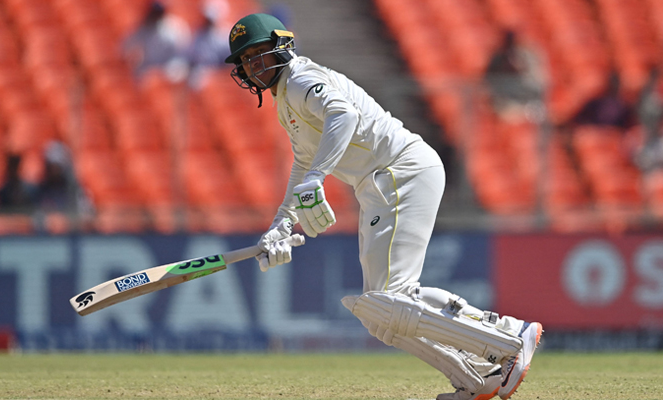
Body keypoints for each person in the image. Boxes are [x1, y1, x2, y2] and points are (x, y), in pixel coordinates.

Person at [223, 13, 542, 400]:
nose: (255, 66)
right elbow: (303, 163)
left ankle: (509, 339)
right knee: (383, 318)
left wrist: (316, 179)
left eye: (259, 54)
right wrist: (280, 224)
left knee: (390, 301)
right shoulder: (285, 100)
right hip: (380, 185)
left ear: (282, 47)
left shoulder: (302, 80)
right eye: (247, 61)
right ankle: (476, 380)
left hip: (399, 171)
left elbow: (344, 115)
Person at [484, 30, 546, 123]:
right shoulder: (497, 57)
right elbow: (488, 81)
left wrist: (520, 69)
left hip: (524, 105)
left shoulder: (529, 56)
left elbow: (538, 84)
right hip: (502, 104)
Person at [121, 1, 190, 79]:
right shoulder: (144, 26)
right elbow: (127, 43)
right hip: (149, 64)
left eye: (157, 13)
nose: (154, 15)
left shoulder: (171, 29)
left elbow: (180, 52)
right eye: (153, 12)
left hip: (167, 65)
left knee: (175, 73)